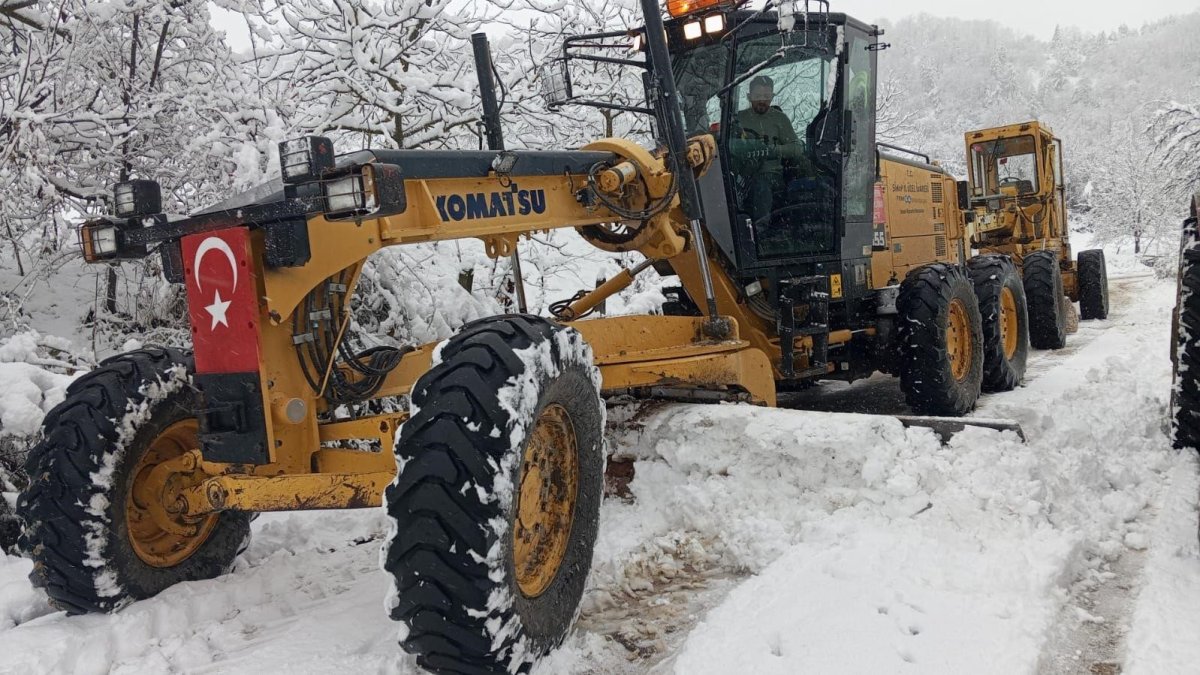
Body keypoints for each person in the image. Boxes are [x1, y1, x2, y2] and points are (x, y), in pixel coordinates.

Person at [736, 76, 807, 226]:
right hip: (741, 173)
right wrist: (747, 147)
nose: (762, 101)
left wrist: (772, 151)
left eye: (767, 96)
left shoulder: (779, 119)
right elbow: (727, 145)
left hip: (770, 175)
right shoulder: (738, 119)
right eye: (758, 96)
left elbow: (797, 148)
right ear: (749, 97)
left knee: (760, 187)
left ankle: (760, 231)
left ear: (773, 96)